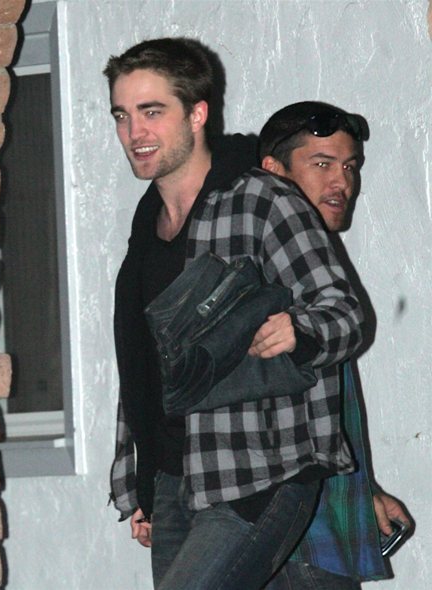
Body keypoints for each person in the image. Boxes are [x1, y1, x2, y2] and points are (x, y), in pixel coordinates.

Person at [105, 37, 365, 590]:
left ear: (197, 114)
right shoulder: (146, 227)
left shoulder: (262, 201)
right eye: (122, 115)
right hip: (174, 482)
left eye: (152, 112)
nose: (135, 132)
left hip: (260, 471)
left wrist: (299, 330)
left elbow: (345, 314)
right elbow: (143, 364)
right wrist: (140, 483)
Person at [253, 102, 411, 588]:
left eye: (349, 166)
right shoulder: (258, 261)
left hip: (325, 525)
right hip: (293, 536)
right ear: (273, 172)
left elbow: (314, 408)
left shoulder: (316, 264)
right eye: (321, 164)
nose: (341, 182)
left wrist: (361, 487)